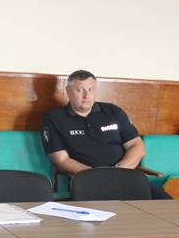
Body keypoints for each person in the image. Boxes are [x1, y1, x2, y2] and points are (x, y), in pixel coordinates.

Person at [41, 70, 171, 199]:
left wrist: (118, 170)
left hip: (125, 174)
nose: (86, 96)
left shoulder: (113, 111)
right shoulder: (55, 118)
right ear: (68, 91)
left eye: (91, 90)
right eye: (79, 90)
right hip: (88, 181)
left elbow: (137, 146)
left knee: (165, 202)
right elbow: (62, 161)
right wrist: (98, 175)